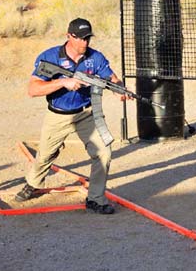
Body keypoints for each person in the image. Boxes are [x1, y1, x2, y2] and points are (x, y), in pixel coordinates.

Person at [15, 18, 130, 215]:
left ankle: (95, 198)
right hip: (57, 115)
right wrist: (63, 83)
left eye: (88, 39)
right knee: (45, 155)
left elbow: (112, 79)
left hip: (85, 113)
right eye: (81, 39)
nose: (85, 43)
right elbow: (32, 89)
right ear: (69, 36)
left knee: (104, 152)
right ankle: (33, 183)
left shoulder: (96, 58)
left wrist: (119, 89)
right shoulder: (50, 57)